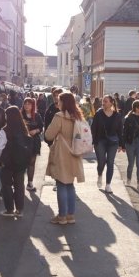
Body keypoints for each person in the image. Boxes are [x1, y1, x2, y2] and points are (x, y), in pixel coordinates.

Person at [44, 92, 85, 224]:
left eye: (59, 101)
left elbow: (49, 135)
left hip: (62, 153)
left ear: (64, 103)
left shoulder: (59, 116)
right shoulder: (78, 116)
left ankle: (62, 216)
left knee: (61, 183)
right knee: (70, 185)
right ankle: (70, 215)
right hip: (75, 153)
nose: (57, 103)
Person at [0, 106, 31, 217]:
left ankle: (9, 209)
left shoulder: (5, 130)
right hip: (21, 161)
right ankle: (20, 210)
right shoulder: (24, 128)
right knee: (19, 185)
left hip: (8, 162)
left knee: (6, 185)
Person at [91, 94, 123, 194]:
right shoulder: (98, 114)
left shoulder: (117, 115)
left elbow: (120, 130)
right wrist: (93, 142)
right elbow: (93, 128)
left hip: (113, 142)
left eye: (105, 101)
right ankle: (100, 174)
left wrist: (121, 144)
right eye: (103, 101)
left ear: (111, 103)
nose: (103, 103)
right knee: (101, 162)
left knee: (110, 162)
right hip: (100, 141)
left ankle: (108, 184)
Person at [122, 100, 139, 190]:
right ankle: (129, 179)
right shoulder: (128, 118)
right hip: (130, 143)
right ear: (136, 108)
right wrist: (122, 145)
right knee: (131, 163)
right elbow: (124, 133)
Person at [21, 97, 44, 192]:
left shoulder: (37, 115)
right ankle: (19, 184)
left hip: (34, 142)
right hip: (22, 142)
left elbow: (41, 127)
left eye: (29, 104)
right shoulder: (19, 115)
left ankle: (30, 183)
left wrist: (36, 130)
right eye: (25, 103)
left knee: (31, 163)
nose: (27, 105)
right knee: (21, 163)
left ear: (32, 105)